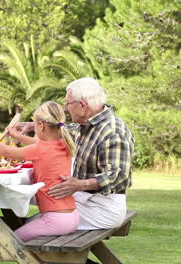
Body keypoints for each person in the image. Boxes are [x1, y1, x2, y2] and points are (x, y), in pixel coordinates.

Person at [15, 77, 134, 231]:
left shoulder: (113, 131)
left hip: (101, 208)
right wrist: (35, 125)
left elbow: (119, 176)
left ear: (82, 105)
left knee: (33, 224)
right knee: (21, 194)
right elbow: (62, 130)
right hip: (83, 198)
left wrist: (79, 185)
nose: (66, 108)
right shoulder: (84, 126)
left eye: (68, 104)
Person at [0, 101, 79, 242]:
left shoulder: (40, 149)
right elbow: (37, 144)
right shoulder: (64, 143)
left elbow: (7, 152)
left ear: (41, 125)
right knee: (27, 225)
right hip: (72, 216)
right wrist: (17, 136)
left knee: (11, 242)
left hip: (56, 219)